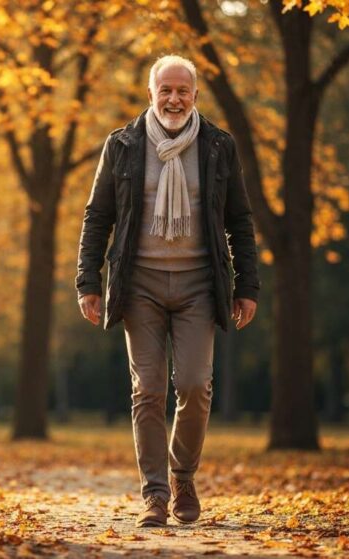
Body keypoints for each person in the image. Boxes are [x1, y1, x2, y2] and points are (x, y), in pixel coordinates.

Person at [75, 54, 260, 527]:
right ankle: (155, 495)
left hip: (201, 282)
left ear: (195, 96)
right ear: (151, 94)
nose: (174, 99)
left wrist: (247, 286)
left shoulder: (219, 146)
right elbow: (98, 216)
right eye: (166, 90)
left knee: (195, 385)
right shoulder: (121, 145)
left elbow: (239, 219)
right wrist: (88, 283)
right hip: (140, 284)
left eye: (183, 91)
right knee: (149, 390)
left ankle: (183, 475)